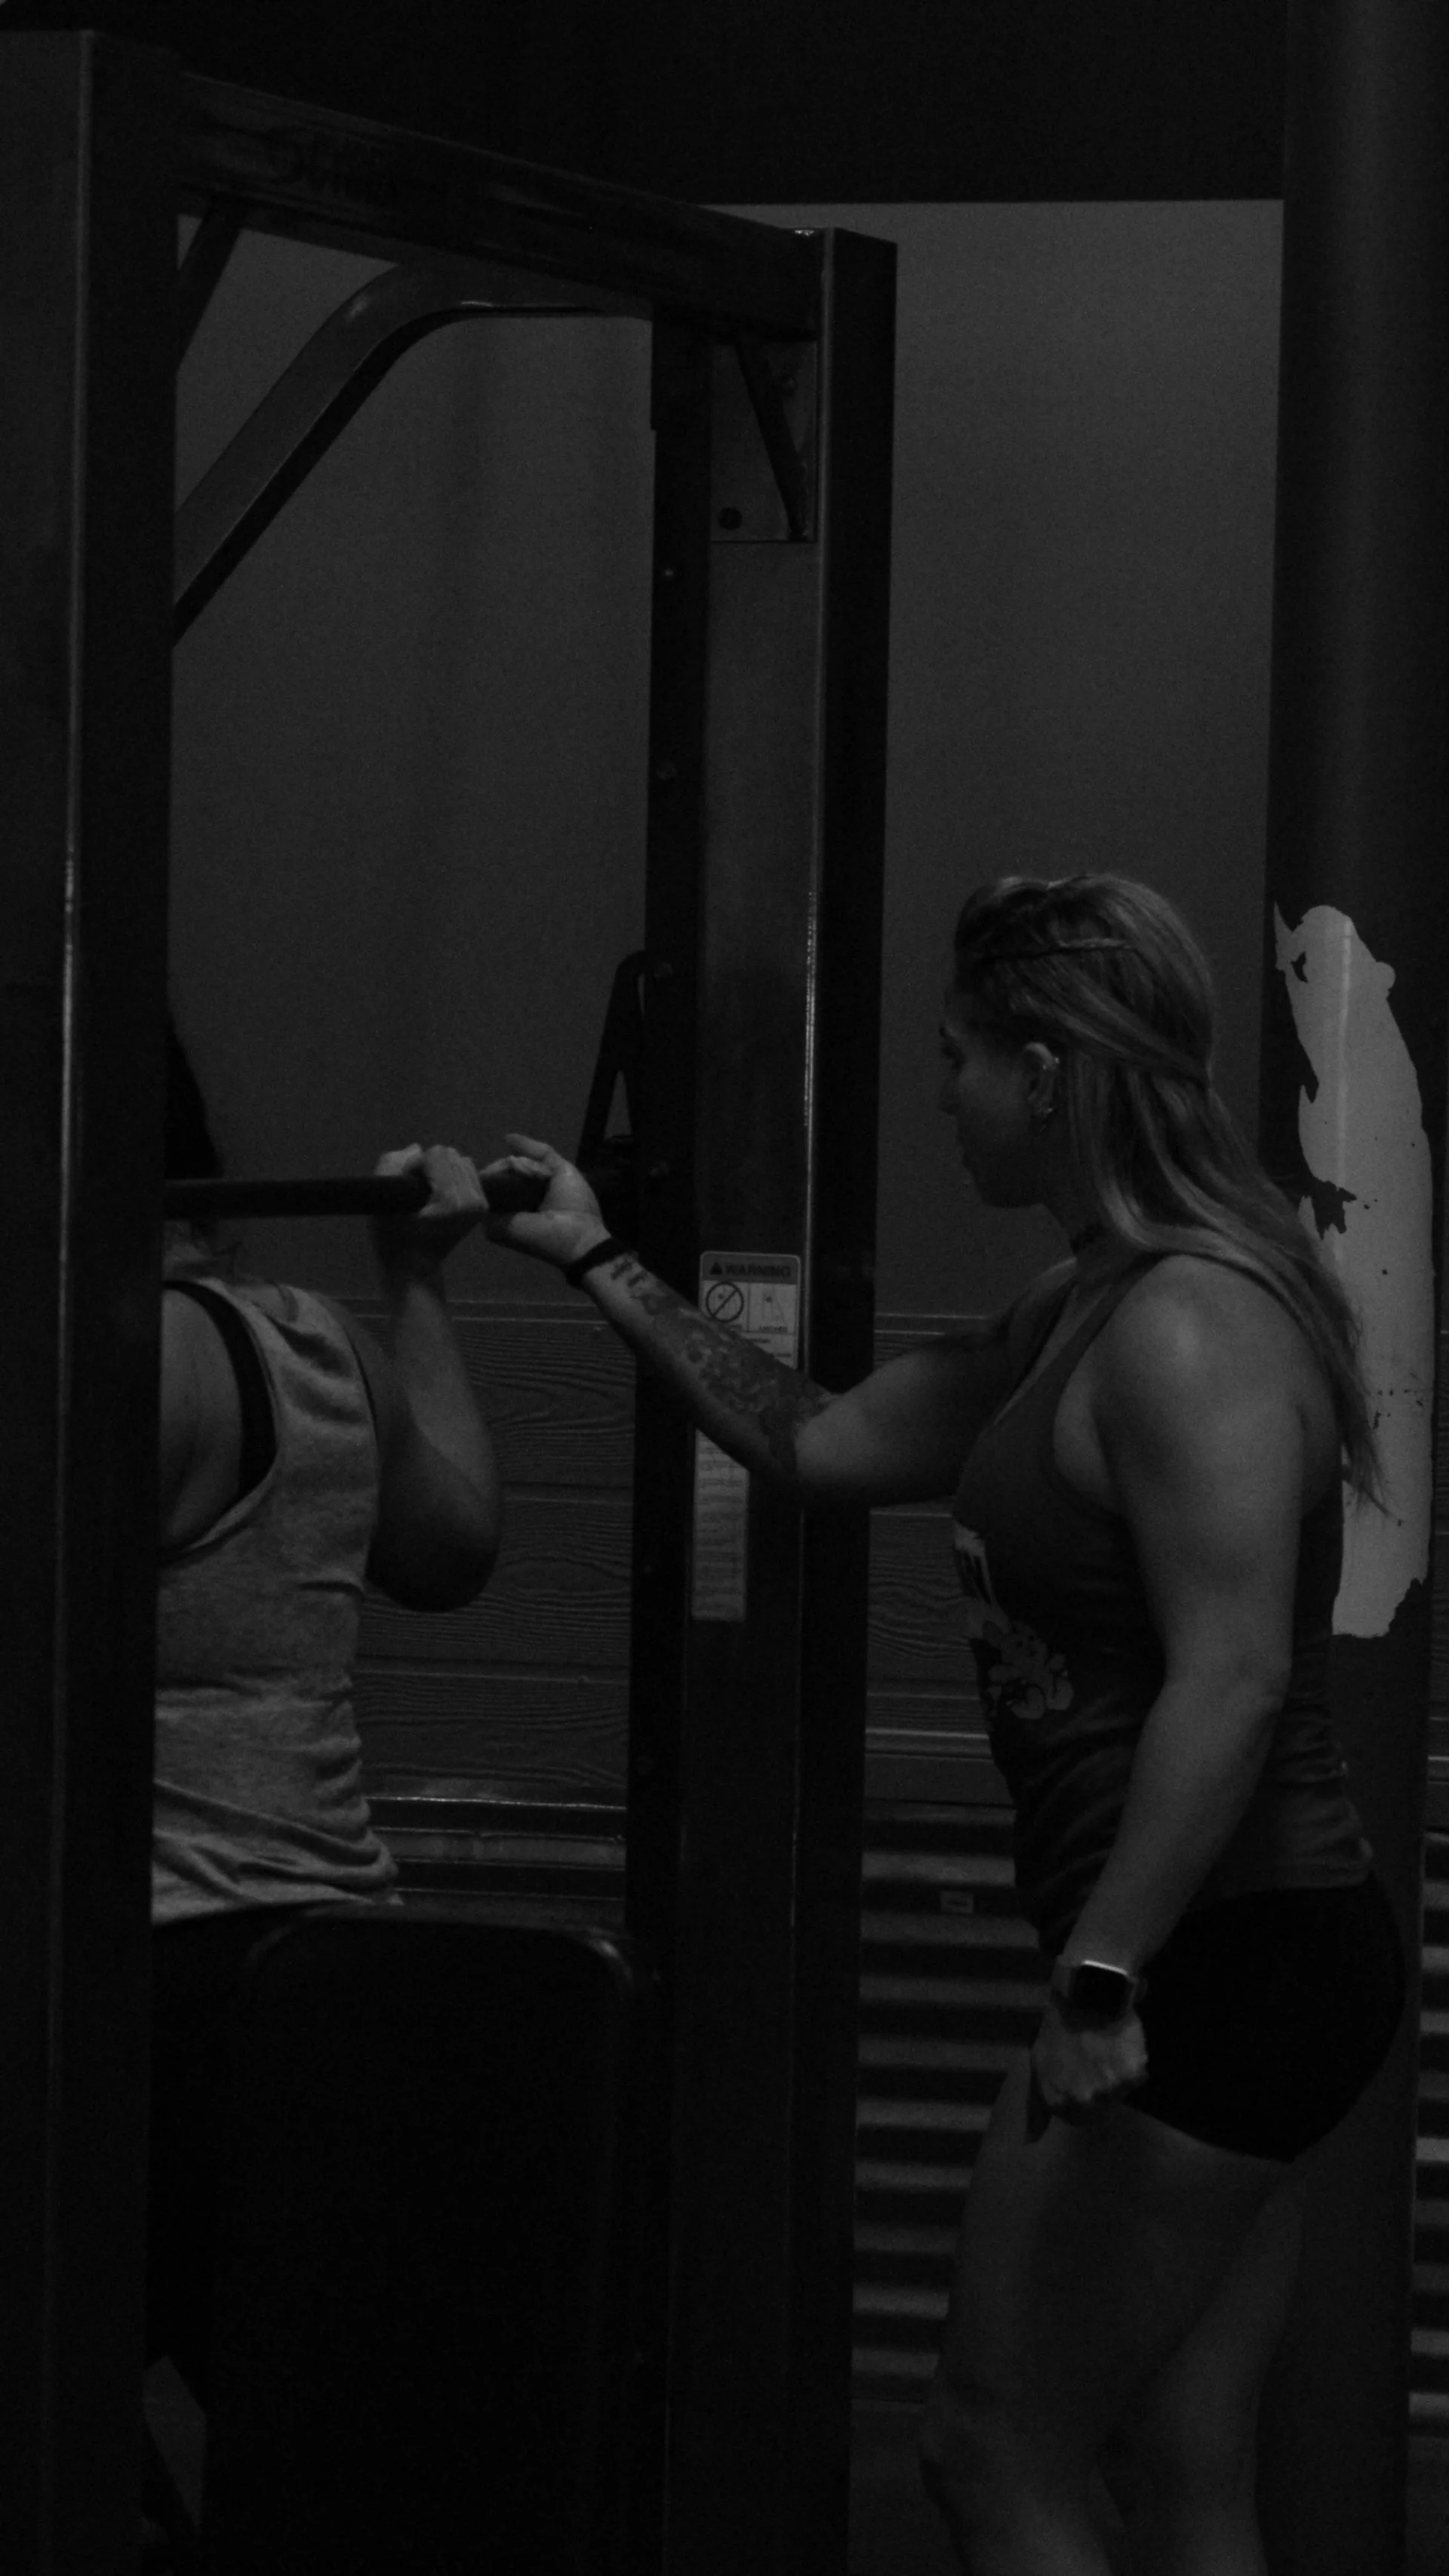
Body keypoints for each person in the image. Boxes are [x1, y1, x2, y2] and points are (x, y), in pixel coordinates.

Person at [481, 873, 1407, 2576]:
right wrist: (595, 1255)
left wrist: (1105, 1974)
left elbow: (1234, 1673)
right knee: (1186, 2452)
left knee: (993, 2446)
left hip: (1219, 1956)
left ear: (1049, 1069)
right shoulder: (1088, 1305)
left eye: (958, 1057)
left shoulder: (1187, 1325)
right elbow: (821, 1444)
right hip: (1239, 1955)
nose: (944, 1097)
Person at [149, 1023, 500, 2404]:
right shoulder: (311, 1338)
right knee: (291, 2431)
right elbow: (455, 1547)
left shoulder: (118, 1361)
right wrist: (414, 1289)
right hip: (327, 1960)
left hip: (153, 1975)